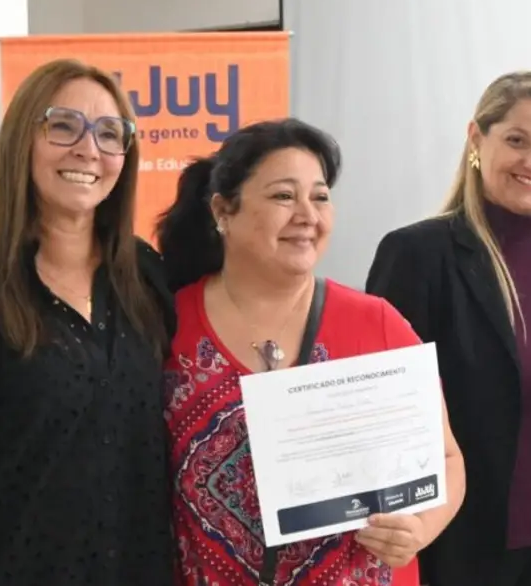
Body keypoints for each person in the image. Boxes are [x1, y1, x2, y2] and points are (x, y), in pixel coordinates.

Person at [156, 118, 466, 586]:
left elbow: (447, 460)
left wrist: (419, 528)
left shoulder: (377, 325)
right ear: (223, 210)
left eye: (320, 197)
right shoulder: (166, 325)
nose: (307, 215)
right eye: (284, 196)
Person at [0, 59, 176, 585]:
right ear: (20, 141)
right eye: (63, 126)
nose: (88, 149)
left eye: (109, 133)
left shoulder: (146, 277)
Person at [365, 71, 531, 586]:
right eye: (516, 140)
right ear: (476, 139)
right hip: (462, 544)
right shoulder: (419, 254)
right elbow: (384, 411)